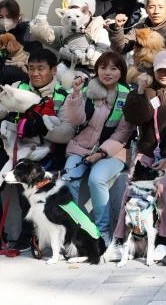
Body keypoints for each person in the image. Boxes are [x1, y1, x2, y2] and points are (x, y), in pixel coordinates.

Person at [0, 48, 82, 254]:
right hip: (12, 147)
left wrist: (42, 128)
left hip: (44, 151)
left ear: (53, 70)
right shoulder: (18, 87)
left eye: (40, 69)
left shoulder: (63, 94)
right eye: (31, 68)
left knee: (25, 184)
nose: (35, 73)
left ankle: (29, 236)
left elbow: (67, 131)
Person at [117, 50, 166, 264]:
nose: (164, 74)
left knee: (163, 186)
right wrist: (139, 92)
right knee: (131, 185)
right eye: (160, 70)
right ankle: (120, 238)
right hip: (148, 152)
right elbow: (136, 116)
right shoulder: (148, 92)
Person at [60, 51, 134, 247]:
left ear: (121, 71)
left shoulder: (127, 95)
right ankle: (76, 231)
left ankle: (102, 232)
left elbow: (123, 132)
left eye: (113, 68)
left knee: (96, 179)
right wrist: (75, 95)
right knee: (69, 181)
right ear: (96, 70)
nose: (107, 72)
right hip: (81, 147)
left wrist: (101, 153)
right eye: (103, 67)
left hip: (114, 151)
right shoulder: (86, 90)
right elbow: (76, 120)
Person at [108, 0, 166, 67]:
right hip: (138, 74)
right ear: (146, 10)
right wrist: (118, 28)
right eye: (151, 7)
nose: (156, 11)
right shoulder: (139, 28)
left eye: (160, 7)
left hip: (163, 75)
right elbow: (120, 48)